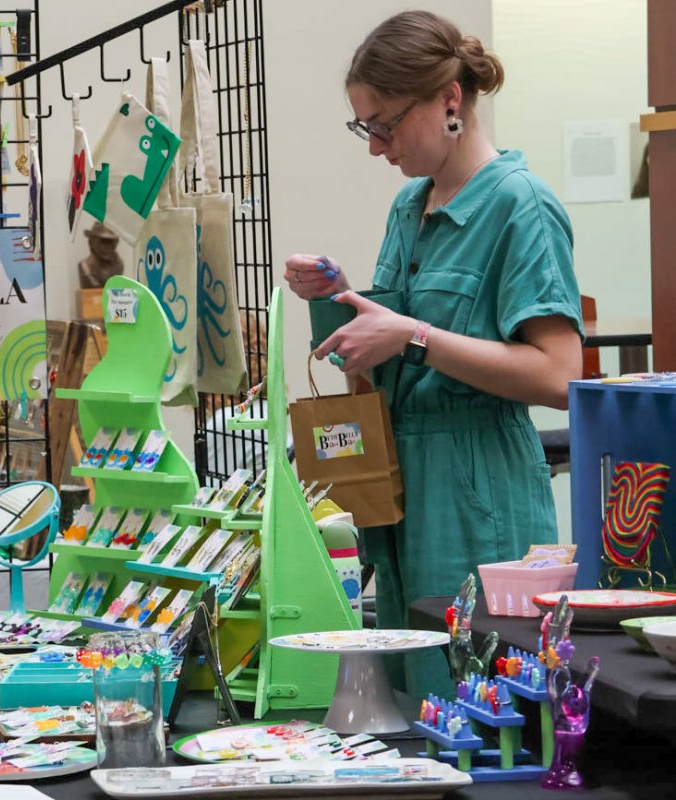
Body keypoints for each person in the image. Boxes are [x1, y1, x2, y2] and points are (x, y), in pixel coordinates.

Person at [284, 11, 582, 700]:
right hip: (402, 483)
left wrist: (413, 336)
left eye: (383, 122)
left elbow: (562, 377)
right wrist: (345, 305)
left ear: (450, 101)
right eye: (365, 127)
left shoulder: (521, 207)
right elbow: (393, 351)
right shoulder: (407, 208)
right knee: (408, 700)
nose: (375, 146)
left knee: (474, 704)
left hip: (480, 491)